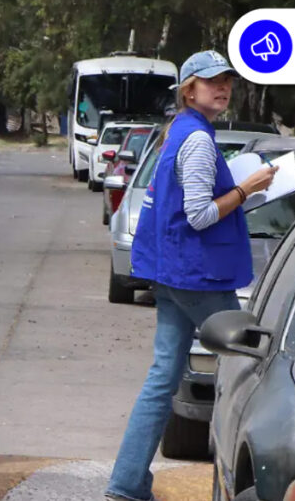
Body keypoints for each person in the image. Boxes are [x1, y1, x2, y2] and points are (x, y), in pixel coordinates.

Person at [105, 51, 277, 501]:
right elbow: (199, 215)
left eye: (227, 82)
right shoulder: (197, 140)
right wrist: (247, 189)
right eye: (211, 82)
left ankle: (126, 484)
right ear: (189, 90)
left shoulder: (181, 131)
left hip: (173, 272)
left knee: (164, 375)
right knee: (258, 362)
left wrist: (237, 191)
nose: (222, 88)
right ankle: (261, 474)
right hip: (197, 276)